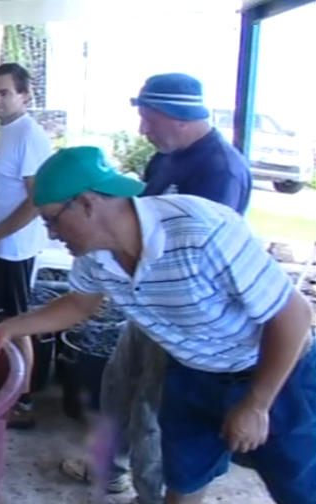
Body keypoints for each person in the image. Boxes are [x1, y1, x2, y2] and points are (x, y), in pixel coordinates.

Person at [0, 146, 316, 504]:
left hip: (274, 372)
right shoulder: (95, 254)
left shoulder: (202, 229)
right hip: (193, 372)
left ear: (86, 203)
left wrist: (256, 404)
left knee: (299, 484)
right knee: (183, 479)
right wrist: (8, 329)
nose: (52, 234)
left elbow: (294, 316)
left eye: (53, 220)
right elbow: (78, 304)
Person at [59, 72, 253, 503]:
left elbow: (203, 259)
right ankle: (109, 468)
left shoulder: (220, 170)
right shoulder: (164, 158)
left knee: (154, 409)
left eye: (149, 118)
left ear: (178, 116)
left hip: (186, 320)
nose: (143, 130)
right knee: (117, 385)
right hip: (148, 307)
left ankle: (156, 494)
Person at [0, 62, 52, 429]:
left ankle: (24, 400)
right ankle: (3, 386)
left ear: (25, 95)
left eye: (4, 93)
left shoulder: (30, 136)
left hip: (13, 248)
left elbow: (36, 202)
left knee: (17, 323)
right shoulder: (5, 132)